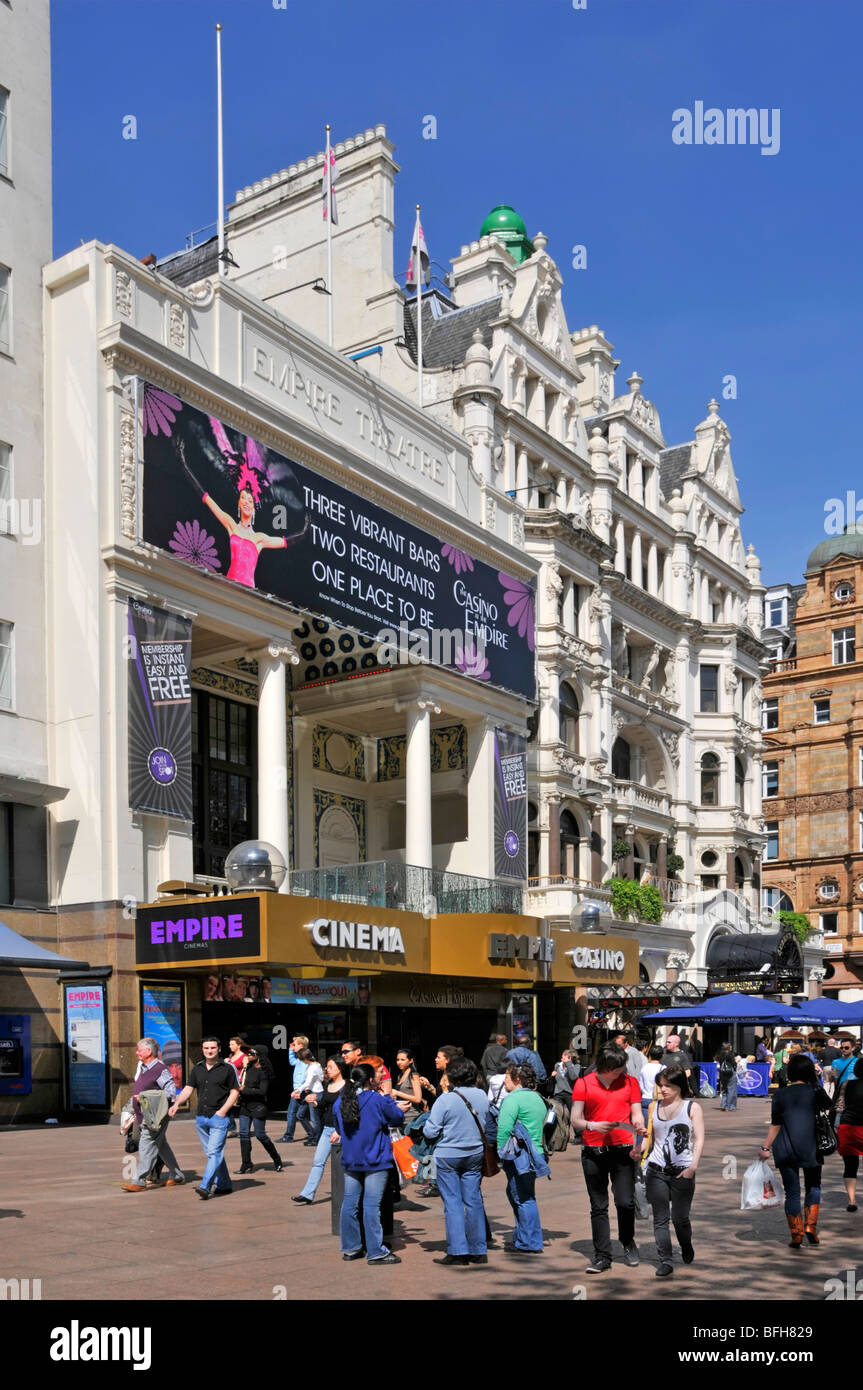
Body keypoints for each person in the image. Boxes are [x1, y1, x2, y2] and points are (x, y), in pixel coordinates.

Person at [571, 1042, 646, 1273]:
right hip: (593, 1151)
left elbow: (636, 1114)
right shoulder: (584, 1083)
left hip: (623, 1149)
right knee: (598, 1206)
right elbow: (575, 1119)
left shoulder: (630, 1082)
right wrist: (593, 1125)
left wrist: (639, 1129)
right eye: (617, 1068)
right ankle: (602, 1256)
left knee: (625, 1201)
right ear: (605, 1066)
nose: (622, 1072)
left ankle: (627, 1240)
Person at [423, 1055, 494, 1266]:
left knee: (452, 1203)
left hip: (448, 1155)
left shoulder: (446, 1098)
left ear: (452, 1076)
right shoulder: (482, 1095)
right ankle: (478, 1249)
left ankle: (458, 1250)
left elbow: (430, 1130)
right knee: (473, 1200)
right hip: (474, 1152)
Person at [333, 1063, 405, 1266]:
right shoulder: (376, 1099)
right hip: (375, 1158)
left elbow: (338, 1127)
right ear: (371, 1080)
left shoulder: (341, 1101)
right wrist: (388, 1099)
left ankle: (351, 1247)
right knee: (371, 1206)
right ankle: (375, 1251)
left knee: (350, 1203)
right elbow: (398, 1118)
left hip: (351, 1158)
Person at [759, 1052, 832, 1248]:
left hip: (785, 1148)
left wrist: (765, 1147)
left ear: (790, 1072)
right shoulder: (815, 1091)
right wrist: (816, 1083)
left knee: (792, 1193)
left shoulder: (780, 1094)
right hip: (811, 1147)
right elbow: (829, 1106)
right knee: (813, 1186)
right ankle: (810, 1227)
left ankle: (796, 1234)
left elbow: (775, 1124)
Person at [642, 1066, 704, 1277]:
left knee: (680, 1218)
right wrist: (637, 1149)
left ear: (680, 1086)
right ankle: (665, 1260)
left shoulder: (692, 1108)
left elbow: (699, 1138)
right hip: (656, 1170)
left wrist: (692, 1167)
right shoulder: (653, 1107)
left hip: (683, 1171)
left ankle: (686, 1245)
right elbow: (649, 1139)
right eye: (661, 1085)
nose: (663, 1089)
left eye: (668, 1085)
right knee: (660, 1218)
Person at [169, 1037, 240, 1200]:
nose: (209, 1051)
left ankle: (205, 1186)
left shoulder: (228, 1068)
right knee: (213, 1153)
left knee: (214, 1152)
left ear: (219, 1049)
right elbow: (188, 1089)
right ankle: (225, 1184)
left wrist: (223, 1111)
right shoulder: (197, 1068)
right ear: (202, 1049)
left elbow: (235, 1091)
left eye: (213, 1048)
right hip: (201, 1118)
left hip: (219, 1118)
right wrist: (177, 1104)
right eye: (206, 1048)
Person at [496, 1062, 549, 1254]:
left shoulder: (512, 1099)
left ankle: (530, 1242)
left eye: (507, 1076)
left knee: (523, 1197)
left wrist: (500, 1152)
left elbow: (504, 1128)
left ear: (517, 1079)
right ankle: (523, 1237)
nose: (504, 1080)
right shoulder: (537, 1098)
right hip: (536, 1152)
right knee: (521, 1195)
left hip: (520, 1155)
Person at [121, 1038, 185, 1192]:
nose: (137, 1053)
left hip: (156, 1116)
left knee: (146, 1145)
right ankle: (177, 1175)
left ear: (149, 1051)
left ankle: (139, 1180)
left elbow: (170, 1093)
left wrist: (145, 1096)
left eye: (139, 1050)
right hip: (145, 1115)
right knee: (162, 1145)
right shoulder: (144, 1068)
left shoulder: (160, 1069)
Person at [292, 1055, 349, 1205]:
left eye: (331, 1067)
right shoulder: (328, 1085)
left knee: (343, 1165)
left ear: (340, 1068)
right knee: (318, 1162)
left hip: (342, 1131)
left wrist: (340, 1131)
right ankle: (307, 1194)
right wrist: (314, 1102)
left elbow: (348, 1111)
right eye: (327, 1067)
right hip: (327, 1129)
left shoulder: (348, 1086)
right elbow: (324, 1105)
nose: (327, 1070)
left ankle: (347, 1195)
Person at [236, 1046, 283, 1174]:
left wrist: (244, 1090)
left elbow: (262, 1091)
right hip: (245, 1105)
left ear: (259, 1055)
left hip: (258, 1106)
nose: (248, 1055)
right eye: (248, 1053)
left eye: (252, 1053)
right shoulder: (248, 1068)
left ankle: (276, 1159)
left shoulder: (263, 1071)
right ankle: (246, 1163)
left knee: (260, 1135)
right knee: (244, 1134)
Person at [835, 1056, 863, 1212]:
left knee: (850, 1166)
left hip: (848, 1127)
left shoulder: (846, 1085)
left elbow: (838, 1107)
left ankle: (852, 1200)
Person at [277, 1035, 310, 1143]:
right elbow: (292, 1061)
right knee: (299, 1115)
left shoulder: (305, 1059)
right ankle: (312, 1134)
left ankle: (289, 1136)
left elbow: (305, 1076)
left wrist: (299, 1090)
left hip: (300, 1091)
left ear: (301, 1045)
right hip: (298, 1090)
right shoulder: (300, 1058)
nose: (292, 1046)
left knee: (294, 1114)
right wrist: (291, 1051)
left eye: (294, 1044)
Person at [297, 1048, 325, 1143]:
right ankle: (313, 1135)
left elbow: (308, 1082)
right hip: (313, 1091)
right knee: (301, 1115)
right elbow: (320, 1078)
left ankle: (315, 1139)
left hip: (315, 1093)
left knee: (315, 1118)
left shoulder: (312, 1067)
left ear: (304, 1059)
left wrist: (298, 1090)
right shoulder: (316, 1065)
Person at [225, 1034, 249, 1138]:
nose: (230, 1046)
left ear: (238, 1045)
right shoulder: (230, 1056)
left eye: (232, 1044)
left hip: (239, 1084)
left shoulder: (244, 1057)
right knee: (228, 1106)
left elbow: (245, 1071)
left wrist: (244, 1084)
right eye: (230, 1044)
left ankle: (243, 1129)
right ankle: (231, 1128)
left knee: (242, 1107)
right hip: (229, 1084)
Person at [391, 1048, 424, 1117]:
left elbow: (418, 1099)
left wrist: (397, 1093)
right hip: (401, 1115)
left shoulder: (413, 1075)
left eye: (402, 1060)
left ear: (410, 1060)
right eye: (398, 1060)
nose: (399, 1062)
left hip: (411, 1115)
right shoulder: (400, 1076)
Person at [638, 1045, 665, 1130]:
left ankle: (641, 1143)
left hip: (645, 1099)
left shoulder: (644, 1068)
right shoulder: (663, 1068)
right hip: (659, 1100)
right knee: (659, 1129)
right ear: (662, 1055)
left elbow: (641, 1085)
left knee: (644, 1128)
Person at [717, 1043, 740, 1112]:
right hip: (730, 1073)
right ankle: (730, 1106)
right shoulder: (730, 1054)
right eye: (730, 1046)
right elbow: (733, 1064)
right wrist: (737, 1061)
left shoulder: (720, 1055)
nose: (731, 1047)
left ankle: (723, 1105)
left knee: (724, 1090)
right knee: (732, 1090)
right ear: (728, 1047)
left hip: (723, 1073)